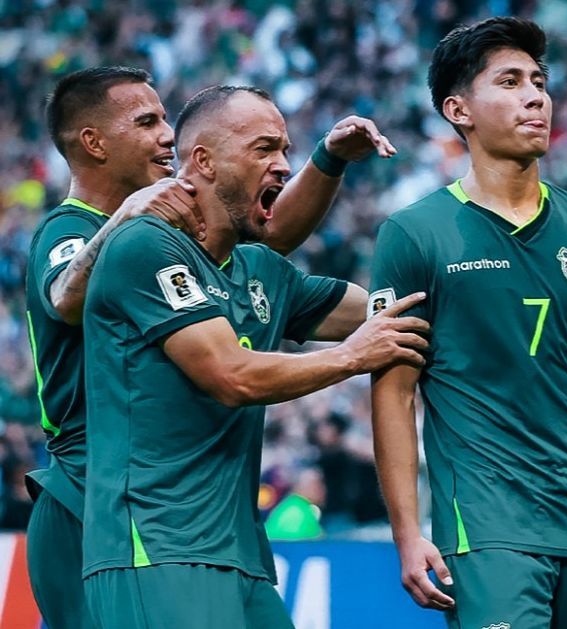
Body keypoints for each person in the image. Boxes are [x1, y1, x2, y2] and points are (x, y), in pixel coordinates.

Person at [24, 66, 395, 628]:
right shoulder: (73, 231)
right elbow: (65, 299)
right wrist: (125, 218)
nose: (166, 135)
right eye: (146, 122)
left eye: (166, 120)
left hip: (208, 505)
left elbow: (262, 236)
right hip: (95, 489)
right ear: (94, 143)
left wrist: (327, 160)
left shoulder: (184, 237)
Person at [370, 17, 567, 628]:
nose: (536, 97)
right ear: (459, 110)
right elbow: (393, 394)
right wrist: (408, 533)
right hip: (487, 527)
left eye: (539, 83)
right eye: (510, 82)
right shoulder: (413, 235)